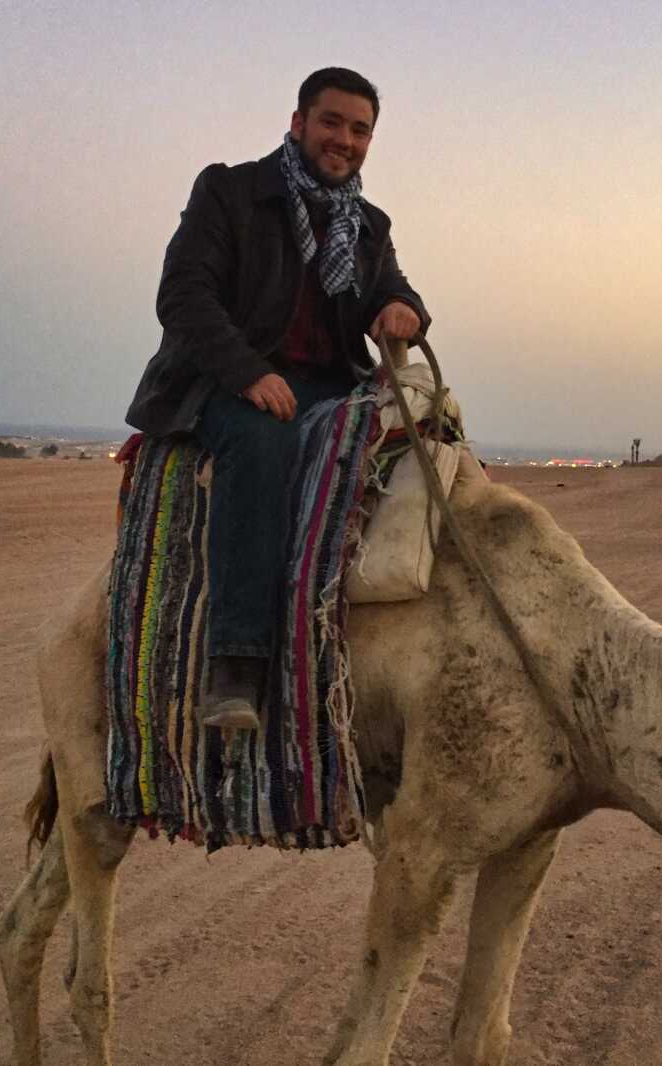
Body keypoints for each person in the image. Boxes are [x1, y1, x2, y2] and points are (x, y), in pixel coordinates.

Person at [123, 67, 431, 730]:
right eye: (331, 122)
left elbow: (390, 288)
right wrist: (247, 373)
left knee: (429, 444)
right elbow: (183, 295)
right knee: (263, 440)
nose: (344, 140)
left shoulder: (369, 224)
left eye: (359, 130)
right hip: (223, 379)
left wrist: (405, 308)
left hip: (329, 384)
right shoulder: (231, 192)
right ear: (298, 123)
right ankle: (236, 661)